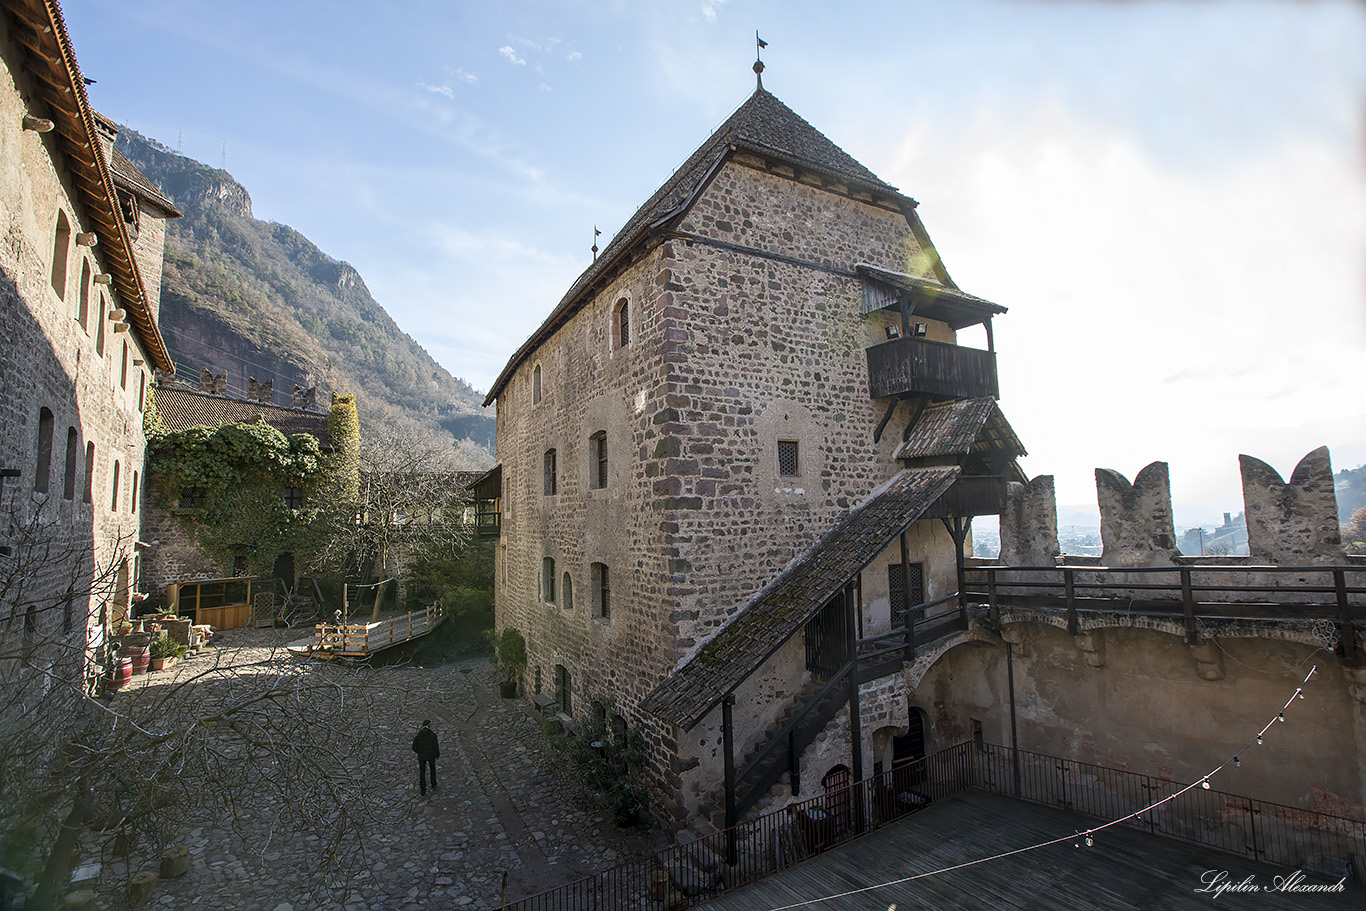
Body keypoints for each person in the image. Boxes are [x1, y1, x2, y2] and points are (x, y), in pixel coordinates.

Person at [412, 719, 439, 796]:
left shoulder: (418, 736)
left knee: (422, 772)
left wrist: (419, 752)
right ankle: (433, 783)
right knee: (432, 769)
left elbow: (414, 747)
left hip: (421, 756)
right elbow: (435, 746)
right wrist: (436, 754)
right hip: (430, 756)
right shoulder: (432, 735)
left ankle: (423, 789)